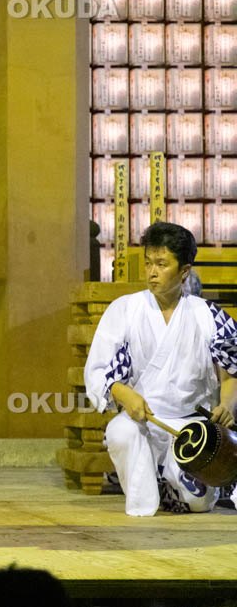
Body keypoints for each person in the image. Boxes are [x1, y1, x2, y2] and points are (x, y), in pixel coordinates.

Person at [85, 221, 237, 516]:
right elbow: (98, 371)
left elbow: (231, 373)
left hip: (193, 429)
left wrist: (228, 404)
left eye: (162, 264)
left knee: (198, 504)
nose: (151, 272)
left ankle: (169, 484)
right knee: (120, 432)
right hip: (143, 421)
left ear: (184, 271)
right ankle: (145, 499)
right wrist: (124, 395)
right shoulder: (125, 309)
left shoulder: (209, 316)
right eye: (148, 263)